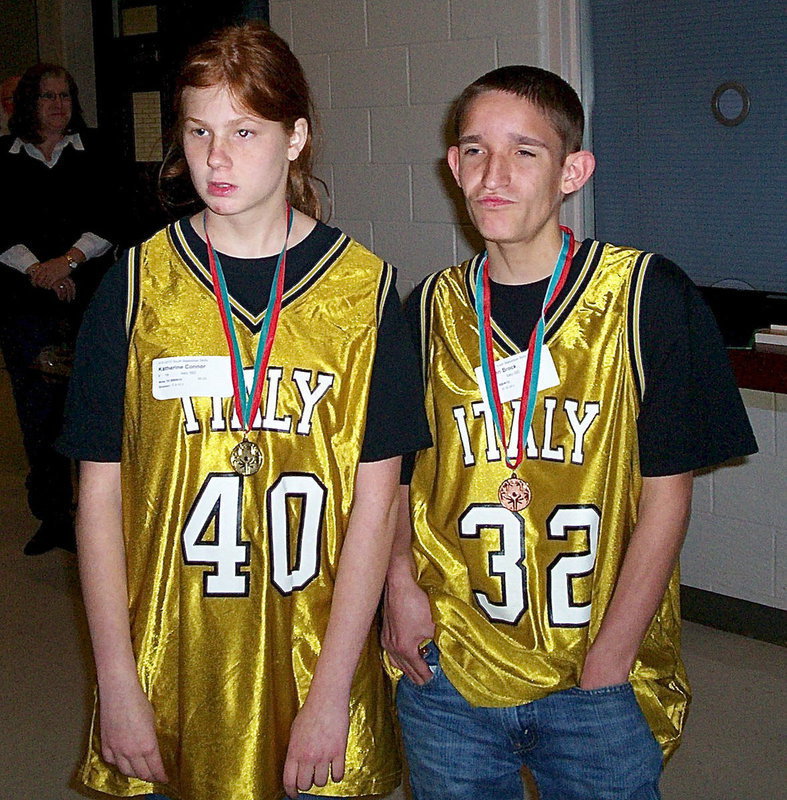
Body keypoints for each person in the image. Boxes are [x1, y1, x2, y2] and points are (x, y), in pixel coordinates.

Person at [57, 21, 429, 800]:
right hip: (171, 652)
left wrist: (332, 693)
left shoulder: (364, 294)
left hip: (315, 654)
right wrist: (115, 681)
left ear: (295, 137)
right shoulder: (132, 289)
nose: (215, 158)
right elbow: (97, 498)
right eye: (197, 130)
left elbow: (374, 504)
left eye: (243, 131)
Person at [382, 65, 757, 800]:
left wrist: (609, 662)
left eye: (524, 151)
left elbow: (665, 497)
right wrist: (398, 586)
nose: (494, 173)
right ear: (451, 165)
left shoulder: (645, 297)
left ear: (571, 171)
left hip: (597, 668)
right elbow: (392, 477)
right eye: (473, 150)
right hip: (449, 662)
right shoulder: (424, 311)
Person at [0, 63, 114, 555]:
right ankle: (51, 517)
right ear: (28, 103)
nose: (58, 105)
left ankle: (96, 515)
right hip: (25, 304)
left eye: (65, 96)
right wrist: (39, 272)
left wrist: (67, 263)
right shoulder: (3, 161)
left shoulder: (96, 153)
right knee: (38, 414)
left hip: (88, 298)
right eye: (47, 96)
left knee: (88, 408)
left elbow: (113, 218)